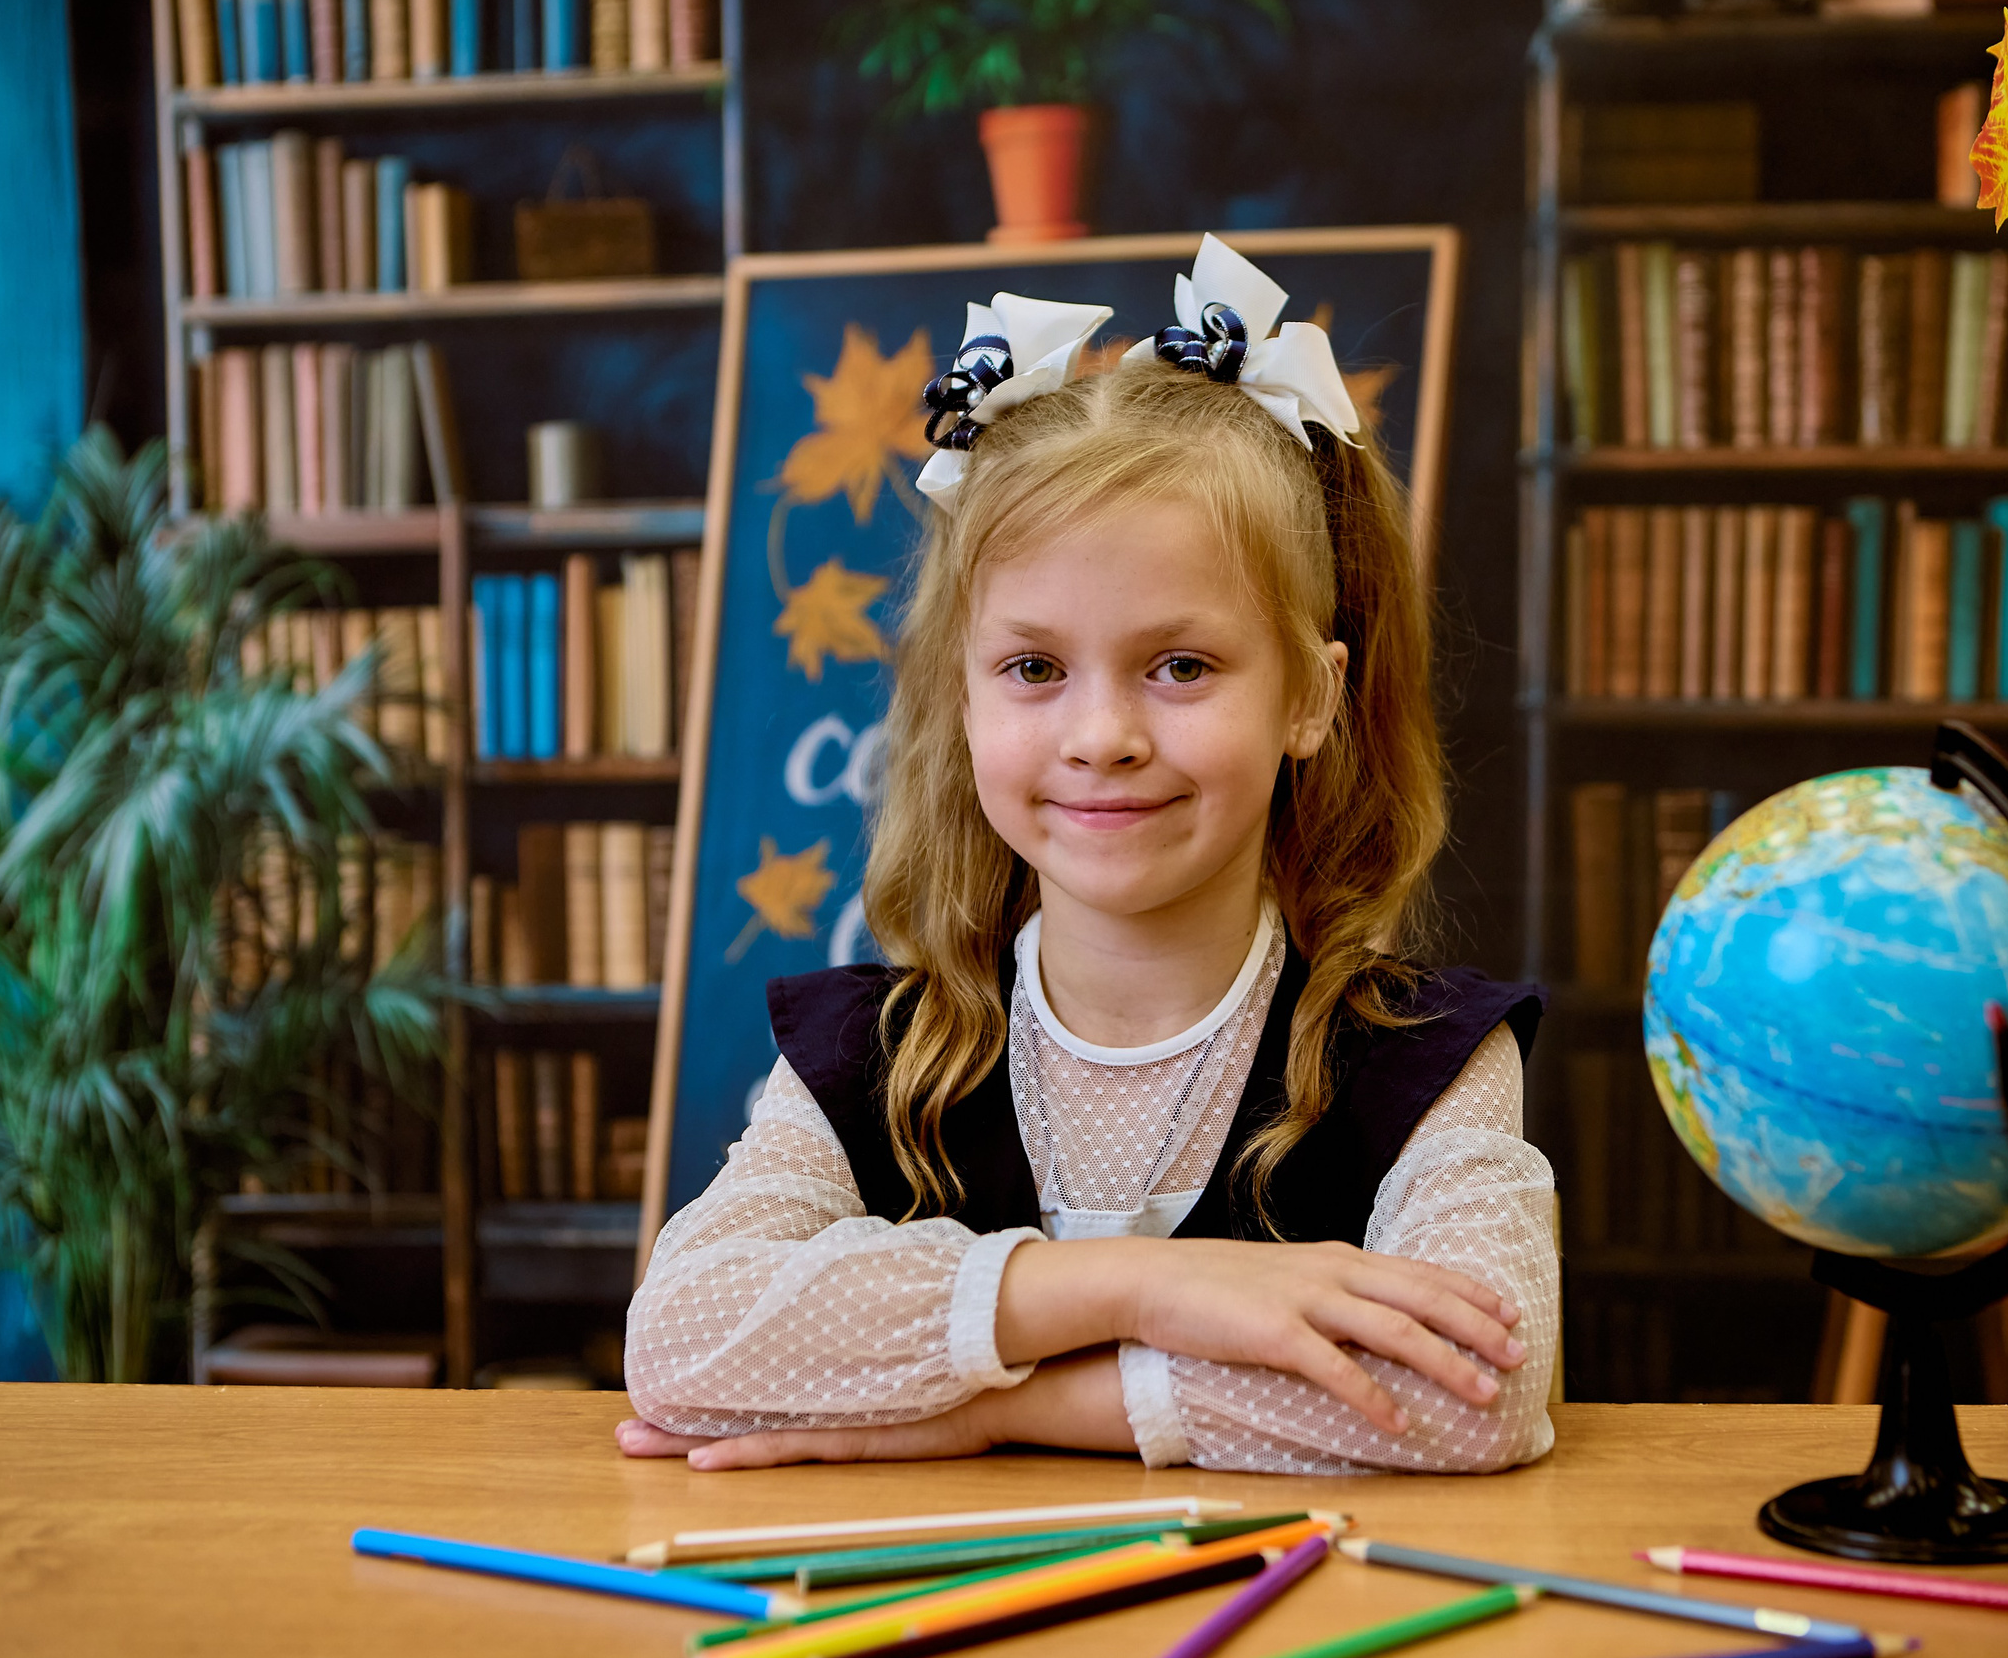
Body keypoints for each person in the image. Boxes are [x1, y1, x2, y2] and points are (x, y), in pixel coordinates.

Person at [618, 238, 1555, 1475]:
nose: (1102, 737)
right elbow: (680, 1345)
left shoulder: (1423, 1060)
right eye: (1034, 669)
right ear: (961, 698)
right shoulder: (869, 1057)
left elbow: (1476, 1395)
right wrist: (1145, 1289)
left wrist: (993, 1409)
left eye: (1182, 666)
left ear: (1309, 701)